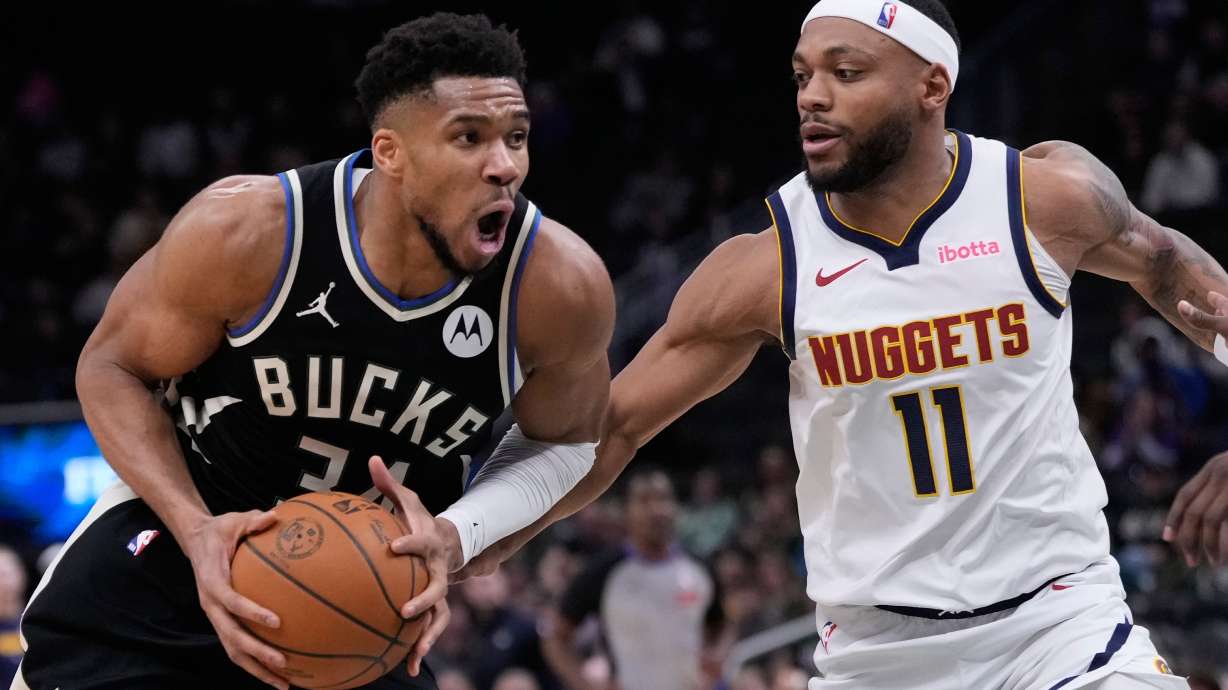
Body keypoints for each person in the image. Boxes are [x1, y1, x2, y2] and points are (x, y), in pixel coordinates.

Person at [467, 1, 1228, 687]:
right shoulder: (765, 264)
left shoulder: (1041, 197)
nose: (812, 96)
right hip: (877, 655)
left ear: (932, 86)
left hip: (1060, 626)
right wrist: (473, 533)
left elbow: (1179, 275)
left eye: (846, 71)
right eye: (803, 74)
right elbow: (615, 425)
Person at [16, 12, 613, 690]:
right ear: (390, 152)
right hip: (180, 550)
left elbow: (565, 443)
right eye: (468, 138)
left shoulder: (557, 287)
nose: (504, 166)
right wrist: (195, 528)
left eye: (516, 137)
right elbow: (112, 366)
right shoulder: (250, 231)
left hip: (362, 605)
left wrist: (456, 534)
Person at [542, 469, 725, 690]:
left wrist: (718, 655)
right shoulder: (604, 571)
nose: (656, 509)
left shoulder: (700, 568)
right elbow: (555, 638)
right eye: (644, 500)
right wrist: (585, 684)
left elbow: (722, 626)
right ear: (627, 511)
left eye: (663, 498)